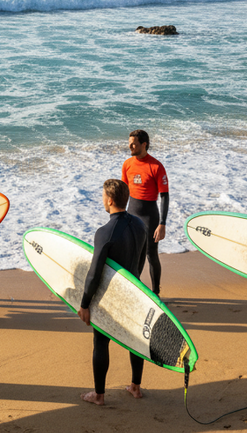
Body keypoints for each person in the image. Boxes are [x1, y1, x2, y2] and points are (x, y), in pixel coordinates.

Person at [78, 178, 148, 405]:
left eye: (102, 196)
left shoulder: (105, 232)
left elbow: (94, 273)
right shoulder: (140, 225)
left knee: (101, 342)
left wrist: (85, 303)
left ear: (109, 200)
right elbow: (140, 260)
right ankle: (135, 387)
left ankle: (99, 395)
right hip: (135, 292)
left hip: (112, 298)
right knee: (136, 340)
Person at [121, 129, 169, 296]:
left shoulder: (156, 166)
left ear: (144, 144)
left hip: (149, 216)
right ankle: (136, 289)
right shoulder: (127, 164)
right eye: (129, 143)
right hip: (131, 214)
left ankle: (156, 293)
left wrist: (162, 223)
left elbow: (164, 196)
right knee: (132, 253)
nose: (130, 146)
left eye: (133, 144)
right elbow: (123, 193)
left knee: (150, 253)